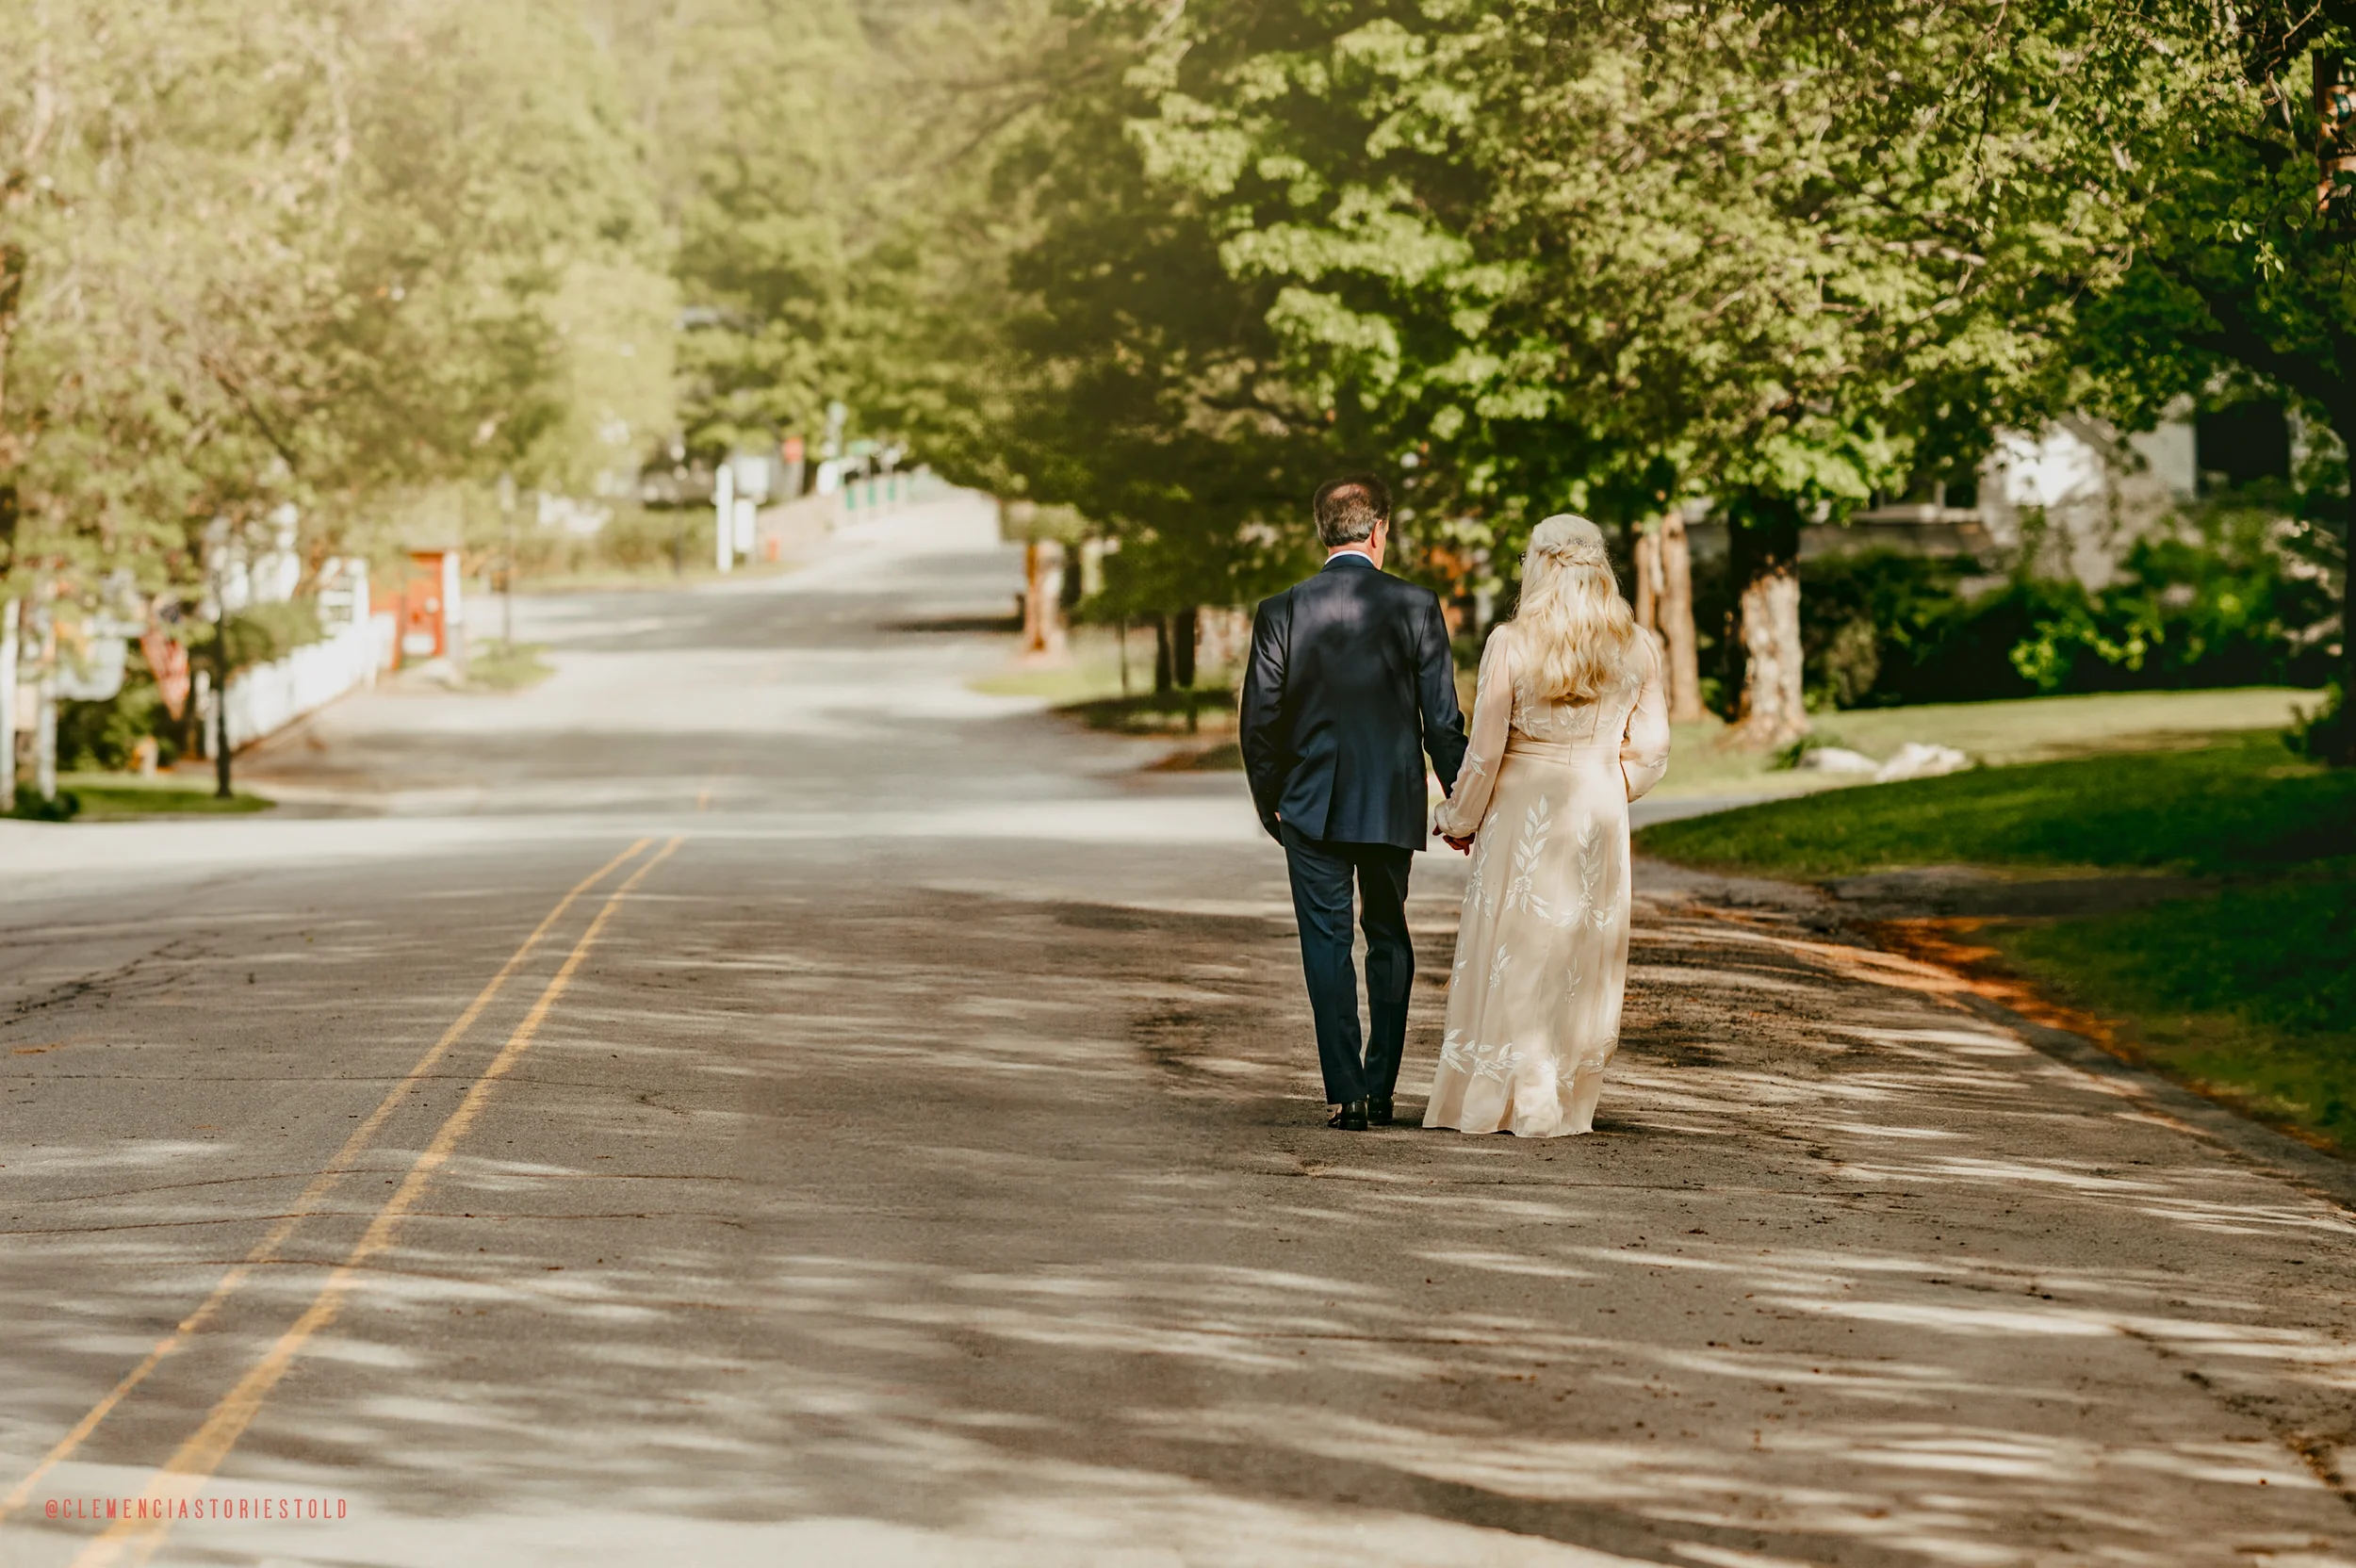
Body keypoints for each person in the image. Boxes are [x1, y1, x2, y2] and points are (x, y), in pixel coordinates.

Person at [1424, 514, 1670, 1137]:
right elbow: (1652, 752)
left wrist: (1458, 817)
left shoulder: (1512, 642)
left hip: (1522, 804)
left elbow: (1484, 751)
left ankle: (1506, 1094)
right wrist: (1613, 789)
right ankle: (1558, 1097)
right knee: (1576, 949)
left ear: (1536, 564)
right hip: (1596, 806)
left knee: (1515, 946)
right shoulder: (1638, 646)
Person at [1240, 475, 1468, 1132]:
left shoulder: (1280, 610)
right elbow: (1442, 722)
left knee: (1326, 942)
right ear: (1379, 531)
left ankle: (1344, 1093)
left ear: (1322, 531)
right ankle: (1380, 1087)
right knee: (1389, 938)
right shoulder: (1417, 605)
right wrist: (1461, 804)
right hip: (1389, 802)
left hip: (1306, 806)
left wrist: (1273, 804)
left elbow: (1259, 722)